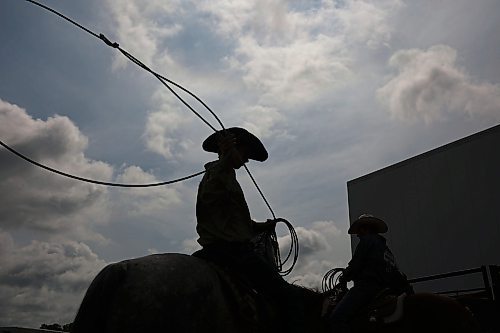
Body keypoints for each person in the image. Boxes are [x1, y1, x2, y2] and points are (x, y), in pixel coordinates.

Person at [193, 127, 304, 332]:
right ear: (232, 149)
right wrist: (226, 156)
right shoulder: (219, 172)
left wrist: (264, 226)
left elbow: (239, 222)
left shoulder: (222, 175)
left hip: (213, 251)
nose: (246, 161)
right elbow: (214, 192)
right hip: (233, 253)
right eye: (245, 154)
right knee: (287, 297)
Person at [328, 214, 412, 333]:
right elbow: (396, 273)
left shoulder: (367, 241)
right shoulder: (386, 250)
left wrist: (345, 276)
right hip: (385, 290)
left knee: (337, 318)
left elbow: (355, 265)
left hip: (366, 288)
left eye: (359, 230)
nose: (357, 234)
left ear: (365, 228)